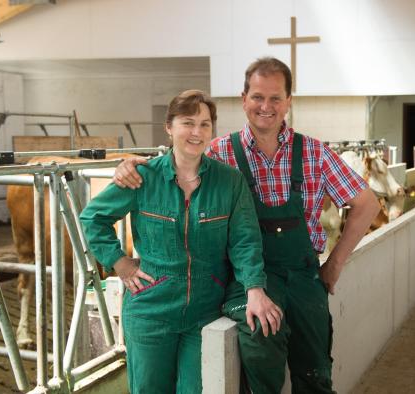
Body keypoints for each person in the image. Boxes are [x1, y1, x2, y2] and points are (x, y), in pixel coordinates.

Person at [113, 59, 380, 393]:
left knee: (315, 369)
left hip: (303, 275)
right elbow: (176, 160)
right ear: (243, 99)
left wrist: (335, 264)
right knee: (260, 344)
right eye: (257, 97)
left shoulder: (314, 152)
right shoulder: (219, 153)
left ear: (288, 102)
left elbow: (367, 204)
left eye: (275, 98)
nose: (265, 107)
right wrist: (132, 166)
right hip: (243, 277)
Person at [80, 89, 282, 394]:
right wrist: (120, 263)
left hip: (204, 309)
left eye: (204, 124)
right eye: (188, 122)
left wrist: (255, 289)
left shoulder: (229, 182)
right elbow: (93, 218)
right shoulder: (142, 177)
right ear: (169, 127)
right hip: (151, 308)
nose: (196, 132)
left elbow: (245, 240)